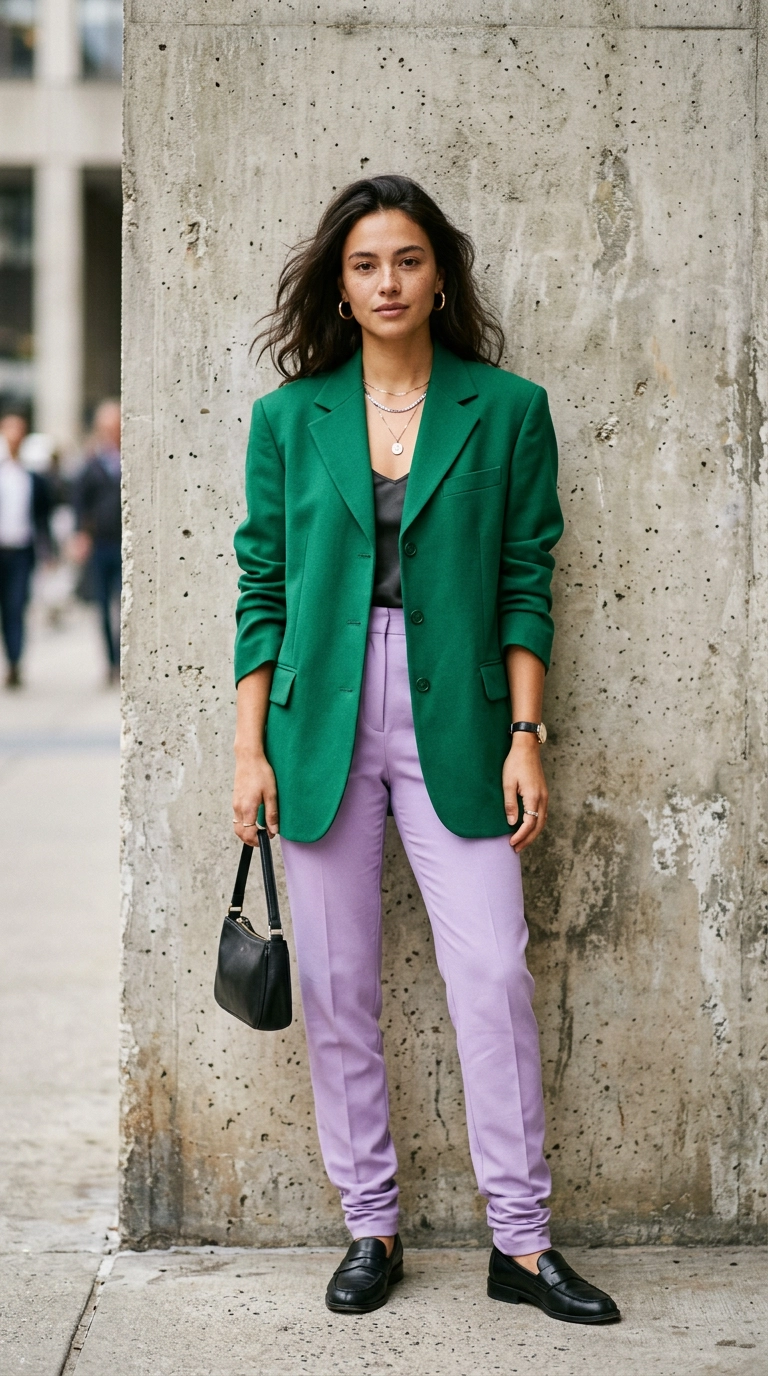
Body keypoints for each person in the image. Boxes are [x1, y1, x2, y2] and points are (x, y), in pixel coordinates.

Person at [231, 176, 620, 1326]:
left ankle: (522, 1240)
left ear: (438, 272)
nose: (387, 282)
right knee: (337, 982)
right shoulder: (287, 419)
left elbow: (525, 581)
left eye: (406, 260)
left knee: (494, 972)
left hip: (459, 716)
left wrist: (527, 734)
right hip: (318, 716)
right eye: (365, 264)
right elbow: (262, 589)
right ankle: (371, 1221)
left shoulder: (505, 409)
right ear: (340, 286)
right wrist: (247, 748)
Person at [0, 411, 51, 688]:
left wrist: (49, 551)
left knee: (16, 606)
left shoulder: (33, 477)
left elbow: (43, 517)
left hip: (21, 552)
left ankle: (15, 662)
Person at [73, 399, 122, 684]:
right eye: (106, 427)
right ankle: (110, 661)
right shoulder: (91, 464)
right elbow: (80, 503)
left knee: (122, 603)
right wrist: (81, 535)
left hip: (122, 543)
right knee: (102, 604)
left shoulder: (129, 458)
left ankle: (120, 656)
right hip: (100, 544)